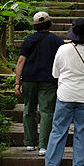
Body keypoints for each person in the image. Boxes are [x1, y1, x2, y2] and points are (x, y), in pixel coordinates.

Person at [43, 18, 84, 166]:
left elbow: (55, 74)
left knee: (58, 130)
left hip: (65, 95)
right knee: (82, 132)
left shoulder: (62, 49)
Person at [14, 11, 64, 155]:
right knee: (47, 111)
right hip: (49, 80)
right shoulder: (57, 41)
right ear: (49, 23)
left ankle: (30, 143)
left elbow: (20, 61)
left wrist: (17, 83)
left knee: (29, 109)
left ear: (35, 26)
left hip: (29, 79)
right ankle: (44, 145)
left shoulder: (28, 40)